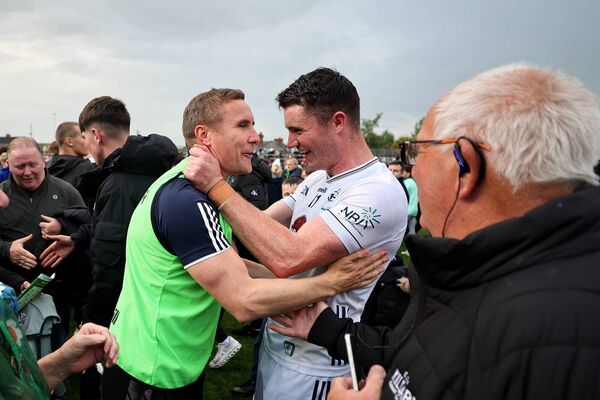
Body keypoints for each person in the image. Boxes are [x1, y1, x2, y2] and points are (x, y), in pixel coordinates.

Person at [270, 63, 600, 400]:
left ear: (466, 167)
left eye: (417, 150)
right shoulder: (477, 271)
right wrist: (331, 331)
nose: (410, 170)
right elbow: (421, 354)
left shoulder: (549, 328)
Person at [104, 88, 387, 399]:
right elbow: (244, 301)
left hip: (159, 358)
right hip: (154, 371)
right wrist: (330, 282)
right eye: (243, 125)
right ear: (204, 135)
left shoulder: (197, 190)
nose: (255, 136)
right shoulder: (187, 201)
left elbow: (235, 265)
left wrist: (303, 283)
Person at [185, 68, 406, 400]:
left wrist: (217, 186)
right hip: (278, 347)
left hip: (318, 364)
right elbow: (254, 228)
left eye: (297, 130)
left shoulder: (378, 191)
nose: (290, 143)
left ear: (339, 122)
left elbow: (289, 256)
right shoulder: (319, 179)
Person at [40, 96, 178, 400]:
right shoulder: (158, 168)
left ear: (96, 135)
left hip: (127, 310)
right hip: (163, 304)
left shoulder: (118, 184)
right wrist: (78, 237)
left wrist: (93, 319)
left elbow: (109, 259)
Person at [0, 186, 119, 400]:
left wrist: (60, 364)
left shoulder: (65, 190)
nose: (3, 201)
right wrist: (6, 251)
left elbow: (11, 390)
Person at [47, 121, 96, 188]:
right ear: (70, 141)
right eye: (83, 137)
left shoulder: (45, 169)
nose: (87, 141)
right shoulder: (88, 169)